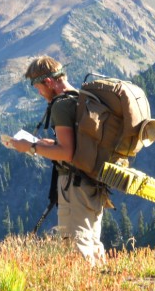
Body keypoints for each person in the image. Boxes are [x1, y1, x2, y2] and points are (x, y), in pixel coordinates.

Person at [8, 55, 109, 266]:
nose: (39, 93)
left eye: (38, 87)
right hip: (94, 181)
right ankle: (99, 289)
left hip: (74, 185)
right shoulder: (80, 98)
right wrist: (49, 143)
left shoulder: (61, 105)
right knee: (92, 243)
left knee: (76, 246)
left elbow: (67, 152)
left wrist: (31, 147)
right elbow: (74, 144)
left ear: (48, 82)